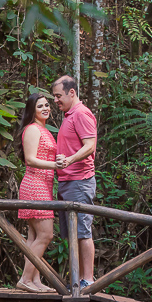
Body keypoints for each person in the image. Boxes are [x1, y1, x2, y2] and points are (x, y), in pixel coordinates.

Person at [13, 93, 67, 293]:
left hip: (44, 185)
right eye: (40, 106)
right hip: (34, 185)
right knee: (46, 234)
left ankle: (34, 280)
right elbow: (31, 160)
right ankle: (26, 279)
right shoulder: (33, 129)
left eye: (46, 105)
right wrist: (55, 164)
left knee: (35, 236)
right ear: (32, 110)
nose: (45, 108)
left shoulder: (43, 129)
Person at [52, 75, 98, 290]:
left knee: (82, 231)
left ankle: (87, 280)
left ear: (72, 92)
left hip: (80, 180)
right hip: (67, 181)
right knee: (72, 233)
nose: (55, 101)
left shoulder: (81, 113)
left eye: (58, 96)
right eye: (54, 96)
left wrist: (69, 160)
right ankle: (77, 280)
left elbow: (90, 145)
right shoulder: (68, 115)